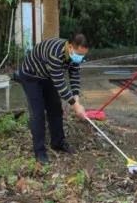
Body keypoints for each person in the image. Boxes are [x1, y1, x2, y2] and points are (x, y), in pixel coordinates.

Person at [17, 34, 89, 164]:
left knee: (55, 108)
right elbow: (60, 84)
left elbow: (74, 74)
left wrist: (76, 98)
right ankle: (40, 152)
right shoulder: (54, 54)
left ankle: (57, 142)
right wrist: (75, 106)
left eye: (83, 55)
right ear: (70, 47)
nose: (80, 58)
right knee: (38, 113)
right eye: (79, 54)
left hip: (47, 75)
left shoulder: (73, 55)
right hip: (31, 76)